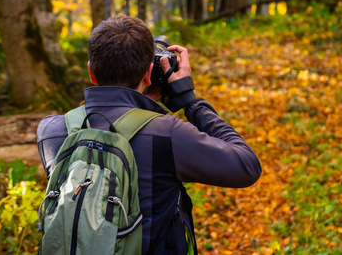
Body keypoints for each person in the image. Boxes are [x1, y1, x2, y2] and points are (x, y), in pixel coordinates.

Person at [37, 15, 262, 254]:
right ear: (149, 73)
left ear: (91, 72)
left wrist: (140, 100)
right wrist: (189, 101)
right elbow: (246, 167)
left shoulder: (51, 131)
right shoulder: (167, 134)